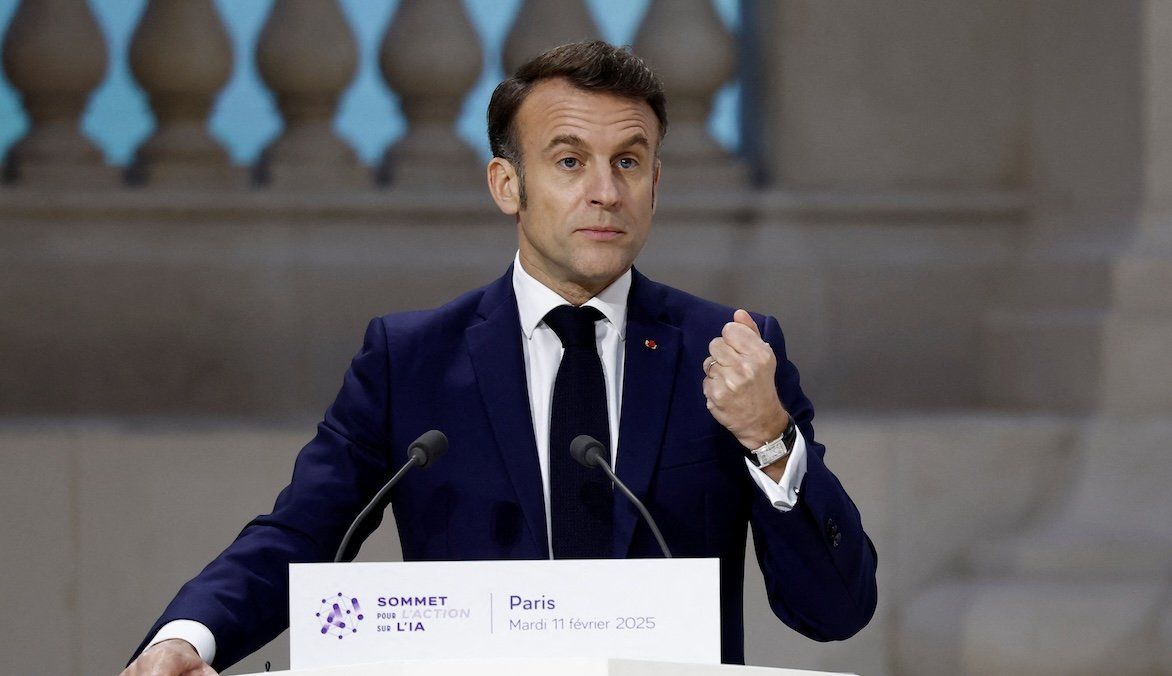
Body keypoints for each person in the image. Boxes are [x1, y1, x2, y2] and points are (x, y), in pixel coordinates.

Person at [123, 41, 877, 676]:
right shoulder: (410, 360)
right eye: (570, 161)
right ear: (507, 184)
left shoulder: (735, 353)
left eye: (629, 162)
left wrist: (770, 438)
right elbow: (299, 535)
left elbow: (835, 611)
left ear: (657, 186)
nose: (605, 192)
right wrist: (189, 637)